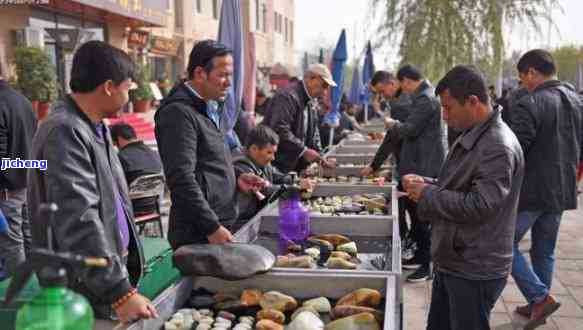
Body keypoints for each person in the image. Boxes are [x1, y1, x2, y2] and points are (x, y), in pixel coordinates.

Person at [27, 41, 157, 323]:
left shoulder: (94, 126)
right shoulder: (65, 130)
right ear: (109, 86)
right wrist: (118, 291)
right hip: (82, 287)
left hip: (100, 278)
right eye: (127, 88)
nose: (129, 95)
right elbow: (78, 218)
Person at [402, 65, 524, 330]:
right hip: (456, 258)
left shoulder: (497, 146)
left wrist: (429, 194)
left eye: (449, 108)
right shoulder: (474, 132)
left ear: (473, 101)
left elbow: (480, 206)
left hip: (474, 266)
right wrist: (428, 184)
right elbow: (460, 186)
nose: (444, 116)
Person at [155, 40, 264, 249]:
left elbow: (208, 162)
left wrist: (234, 178)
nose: (228, 83)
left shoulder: (209, 106)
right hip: (200, 232)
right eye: (222, 75)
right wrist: (211, 227)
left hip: (218, 223)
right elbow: (181, 178)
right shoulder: (178, 113)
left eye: (230, 76)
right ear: (199, 73)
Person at [508, 49, 583, 328]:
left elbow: (516, 151)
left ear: (532, 73)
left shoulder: (531, 102)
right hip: (563, 187)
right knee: (544, 250)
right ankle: (537, 303)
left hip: (533, 191)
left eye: (522, 77)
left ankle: (539, 298)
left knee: (505, 244)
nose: (522, 83)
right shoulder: (576, 100)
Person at [383, 64, 447, 282]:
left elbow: (410, 129)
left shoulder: (425, 99)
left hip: (425, 165)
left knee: (423, 216)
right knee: (417, 215)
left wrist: (393, 124)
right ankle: (421, 256)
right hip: (419, 162)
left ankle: (428, 265)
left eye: (403, 85)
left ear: (406, 81)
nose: (404, 90)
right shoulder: (422, 97)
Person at [263, 63, 337, 173]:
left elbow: (314, 132)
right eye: (324, 86)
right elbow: (280, 129)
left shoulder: (310, 100)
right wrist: (304, 150)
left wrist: (320, 156)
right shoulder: (288, 96)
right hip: (280, 165)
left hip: (295, 167)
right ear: (311, 79)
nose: (325, 92)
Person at [0, 60, 37, 278]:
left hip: (7, 189)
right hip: (27, 183)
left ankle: (19, 299)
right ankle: (35, 292)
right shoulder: (22, 100)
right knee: (30, 238)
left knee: (11, 243)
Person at [234, 125, 315, 220]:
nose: (273, 158)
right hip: (243, 223)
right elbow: (266, 190)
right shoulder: (242, 167)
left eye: (274, 152)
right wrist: (296, 188)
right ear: (254, 149)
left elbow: (278, 176)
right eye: (269, 152)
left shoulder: (262, 162)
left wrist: (297, 180)